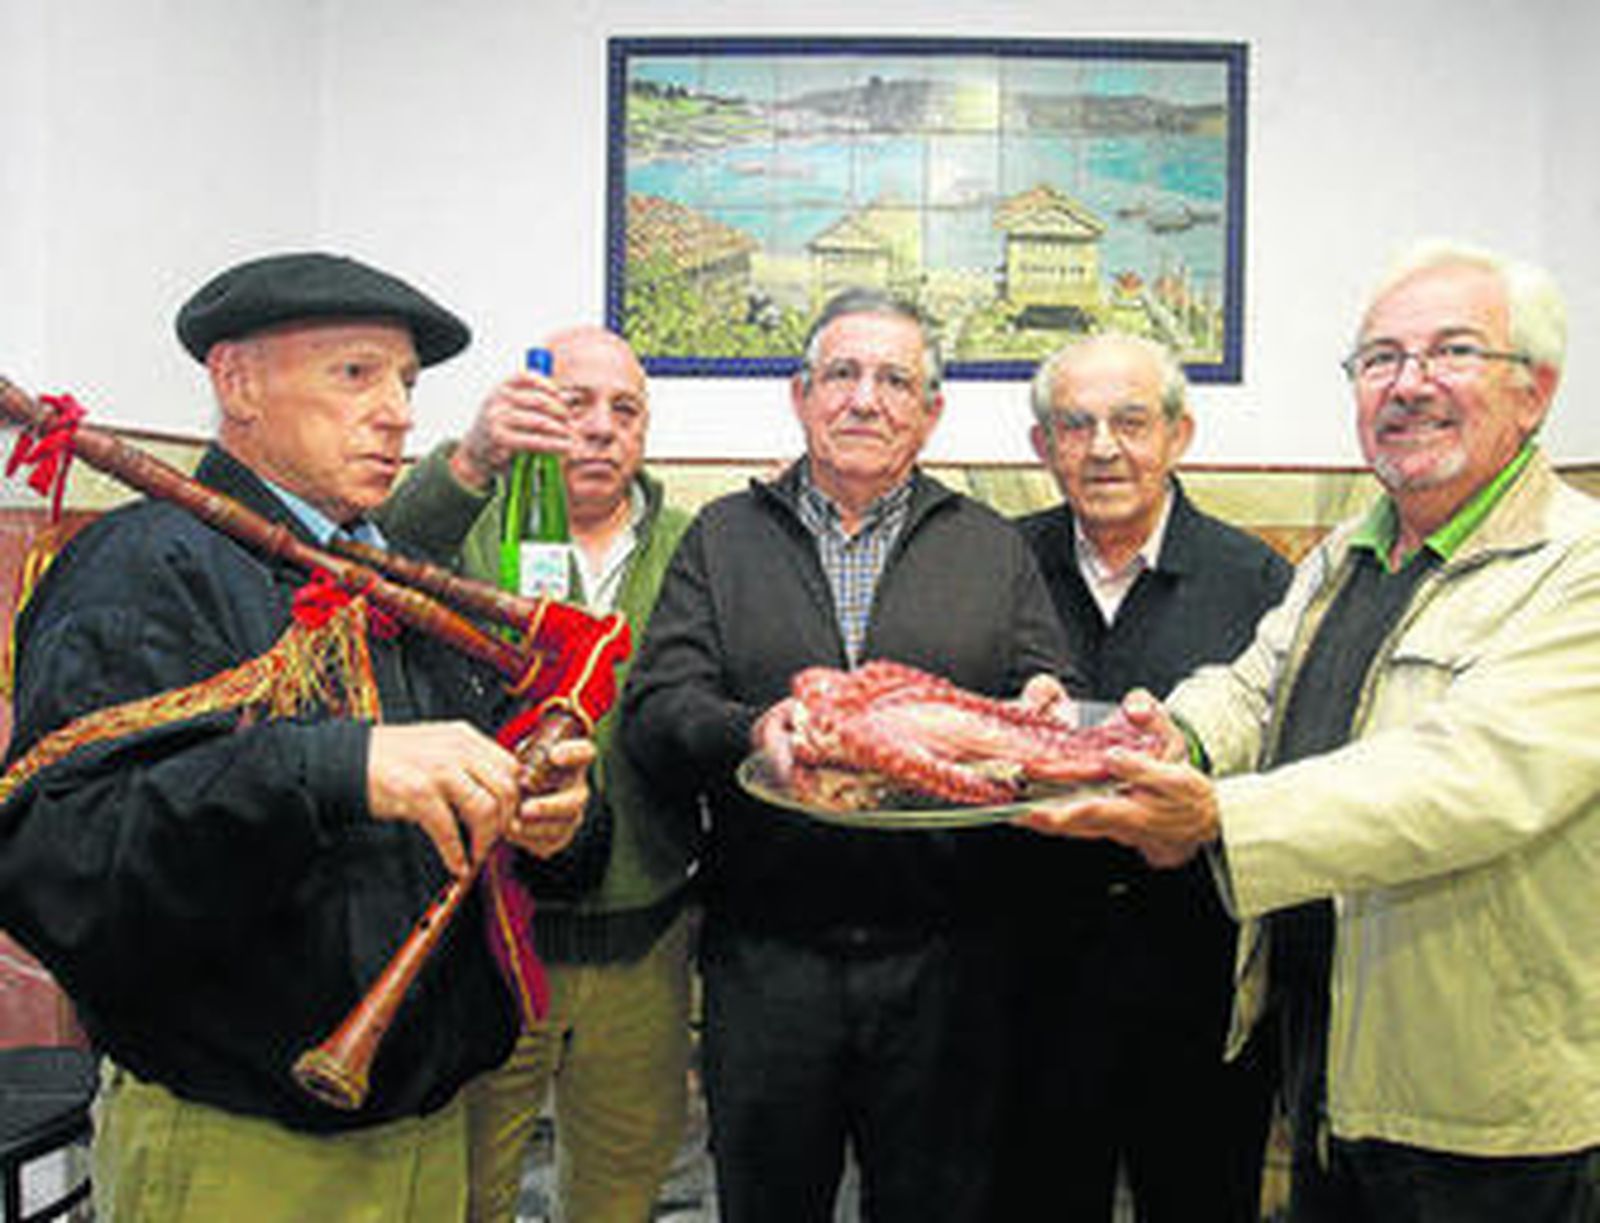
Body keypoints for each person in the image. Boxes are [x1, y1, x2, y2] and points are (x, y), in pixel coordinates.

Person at [0, 251, 595, 1222]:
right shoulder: (149, 562)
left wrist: (558, 826)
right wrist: (336, 765)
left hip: (429, 1133)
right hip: (243, 1153)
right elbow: (60, 860)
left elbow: (498, 813)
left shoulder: (393, 576)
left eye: (406, 382)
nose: (397, 413)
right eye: (355, 373)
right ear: (236, 382)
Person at [1023, 240, 1600, 1222]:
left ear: (1534, 390)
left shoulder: (1575, 567)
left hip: (1482, 1105)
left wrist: (1215, 817)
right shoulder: (1350, 550)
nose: (1408, 384)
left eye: (1453, 351)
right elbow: (1255, 688)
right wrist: (1168, 736)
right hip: (1332, 1060)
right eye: (1380, 359)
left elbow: (1461, 778)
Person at [620, 287, 1077, 1223]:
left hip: (949, 965)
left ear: (931, 412)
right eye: (842, 374)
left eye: (895, 380)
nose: (865, 399)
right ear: (801, 395)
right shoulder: (723, 537)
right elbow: (659, 711)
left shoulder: (990, 546)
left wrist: (1046, 702)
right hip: (767, 959)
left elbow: (1045, 687)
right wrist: (755, 729)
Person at [376, 324, 697, 1222]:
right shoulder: (467, 529)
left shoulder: (695, 546)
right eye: (574, 404)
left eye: (625, 410)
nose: (600, 427)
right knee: (470, 1187)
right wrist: (472, 457)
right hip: (486, 935)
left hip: (644, 942)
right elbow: (376, 552)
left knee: (622, 1186)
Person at [998, 332, 1290, 1222]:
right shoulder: (995, 564)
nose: (1103, 448)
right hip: (1027, 983)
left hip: (1197, 979)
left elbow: (1289, 762)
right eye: (1074, 425)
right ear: (1042, 445)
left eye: (1130, 421)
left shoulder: (1260, 579)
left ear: (1178, 434)